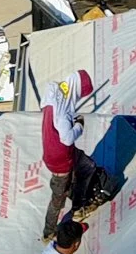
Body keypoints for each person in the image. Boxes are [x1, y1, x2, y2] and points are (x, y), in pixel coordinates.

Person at [40, 69, 102, 240]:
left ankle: (78, 208)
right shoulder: (64, 112)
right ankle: (49, 232)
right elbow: (67, 138)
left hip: (55, 151)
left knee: (87, 166)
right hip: (60, 158)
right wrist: (79, 125)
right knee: (58, 197)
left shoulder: (54, 93)